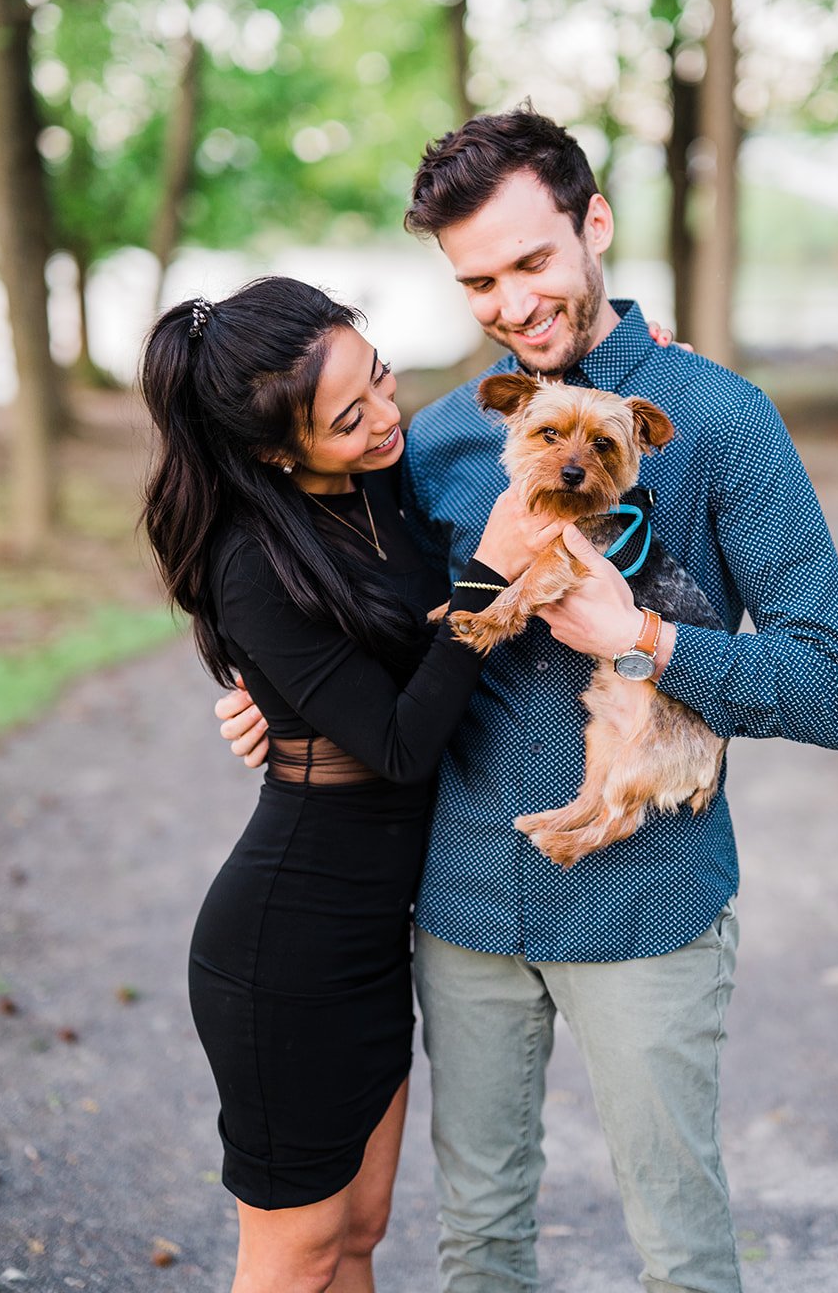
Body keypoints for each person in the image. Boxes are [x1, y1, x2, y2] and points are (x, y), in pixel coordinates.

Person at [216, 107, 838, 1293]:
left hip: (648, 909)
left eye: (532, 262)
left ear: (596, 226)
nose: (514, 304)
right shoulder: (440, 440)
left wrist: (648, 639)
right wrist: (272, 696)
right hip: (461, 907)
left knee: (679, 1251)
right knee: (477, 1244)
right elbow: (315, 579)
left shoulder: (722, 423)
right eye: (479, 280)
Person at [139, 276, 570, 1293]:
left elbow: (501, 405)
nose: (387, 418)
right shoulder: (254, 561)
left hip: (377, 939)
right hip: (288, 947)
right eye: (349, 417)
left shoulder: (380, 479)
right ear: (275, 451)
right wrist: (485, 582)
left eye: (379, 378)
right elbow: (400, 744)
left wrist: (620, 363)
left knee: (361, 1232)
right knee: (292, 1258)